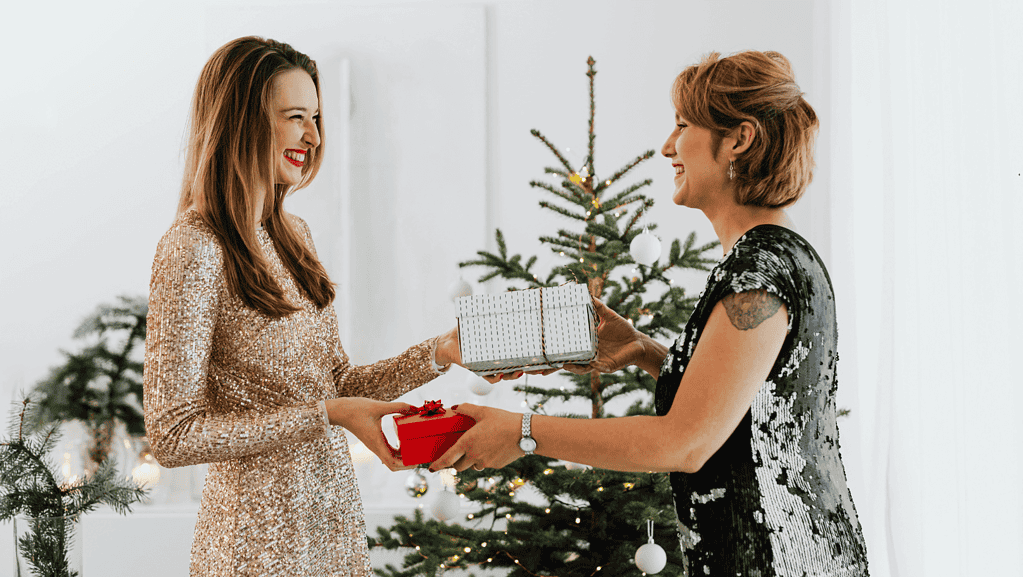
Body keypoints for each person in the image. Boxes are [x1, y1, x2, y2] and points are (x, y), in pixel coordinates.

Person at [432, 50, 870, 576]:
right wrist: (642, 350)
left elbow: (684, 442)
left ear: (739, 139)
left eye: (682, 126)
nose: (668, 147)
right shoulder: (772, 258)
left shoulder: (760, 272)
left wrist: (522, 431)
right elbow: (748, 408)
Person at [142, 36, 468, 576]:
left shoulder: (295, 236)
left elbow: (335, 386)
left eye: (316, 118)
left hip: (332, 527)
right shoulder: (193, 246)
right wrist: (325, 415)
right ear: (240, 121)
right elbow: (173, 435)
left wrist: (439, 353)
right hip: (253, 548)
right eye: (296, 117)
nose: (314, 137)